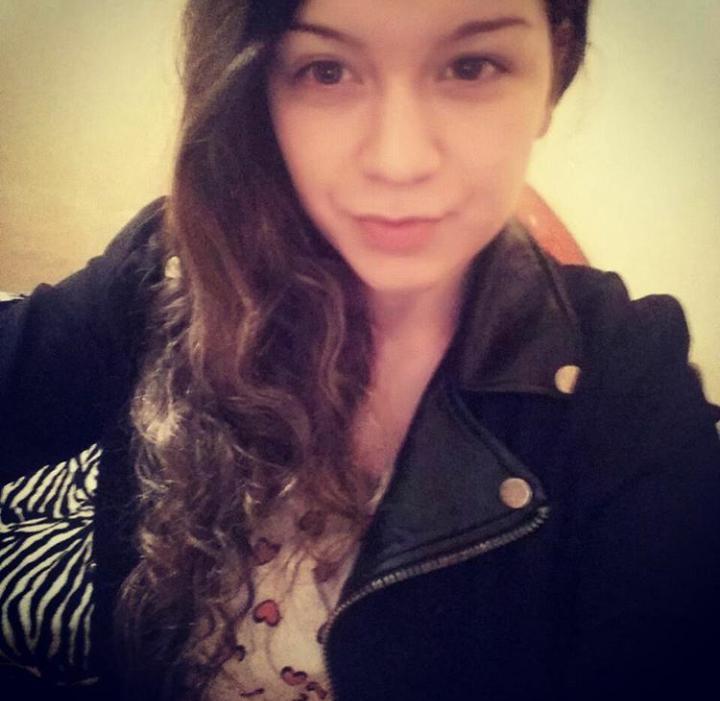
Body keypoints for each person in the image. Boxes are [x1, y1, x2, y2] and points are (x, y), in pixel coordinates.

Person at [1, 1, 719, 699]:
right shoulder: (174, 271)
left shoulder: (625, 384)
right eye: (326, 70)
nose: (399, 161)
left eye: (471, 66)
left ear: (553, 64)